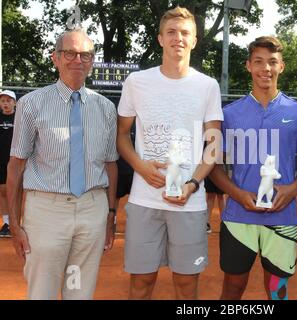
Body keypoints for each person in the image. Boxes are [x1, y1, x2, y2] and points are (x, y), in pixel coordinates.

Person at [117, 6, 223, 300]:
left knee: (187, 286)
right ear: (160, 38)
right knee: (141, 283)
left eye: (185, 33)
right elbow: (121, 134)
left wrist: (192, 185)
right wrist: (140, 166)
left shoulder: (207, 85)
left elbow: (213, 144)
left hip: (189, 203)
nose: (178, 38)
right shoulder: (136, 82)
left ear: (194, 40)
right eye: (172, 32)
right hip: (143, 200)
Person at [7, 28, 118, 300]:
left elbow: (111, 165)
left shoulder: (105, 108)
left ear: (92, 61)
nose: (77, 60)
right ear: (55, 58)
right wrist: (15, 224)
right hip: (46, 213)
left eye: (85, 55)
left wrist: (110, 213)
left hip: (93, 210)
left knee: (79, 292)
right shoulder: (31, 104)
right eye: (70, 53)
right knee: (41, 293)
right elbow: (15, 166)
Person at [209, 36, 297, 300]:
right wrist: (238, 194)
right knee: (232, 287)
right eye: (258, 62)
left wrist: (291, 190)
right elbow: (214, 166)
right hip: (238, 217)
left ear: (282, 67)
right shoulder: (229, 114)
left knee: (277, 289)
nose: (265, 68)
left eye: (272, 62)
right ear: (248, 66)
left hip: (282, 217)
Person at [0, 90, 16, 237]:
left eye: (8, 100)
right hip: (0, 161)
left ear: (14, 103)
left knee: (16, 192)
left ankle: (16, 222)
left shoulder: (20, 118)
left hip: (15, 161)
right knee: (3, 191)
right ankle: (6, 224)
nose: (5, 103)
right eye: (3, 101)